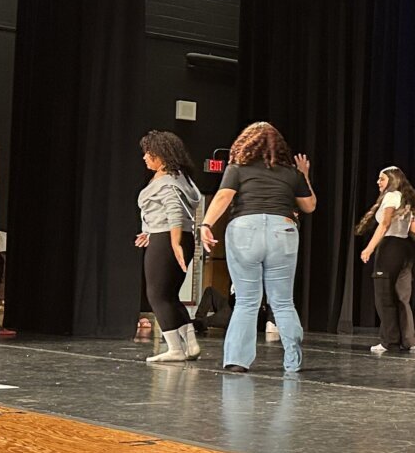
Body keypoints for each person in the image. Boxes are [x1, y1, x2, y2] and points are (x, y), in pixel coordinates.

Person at [198, 122, 316, 374]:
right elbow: (309, 206)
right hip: (283, 230)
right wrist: (304, 174)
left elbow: (223, 196)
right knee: (283, 302)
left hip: (245, 229)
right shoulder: (291, 173)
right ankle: (293, 361)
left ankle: (237, 361)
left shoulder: (237, 169)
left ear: (245, 144)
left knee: (246, 301)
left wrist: (206, 224)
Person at [134, 130, 203, 364]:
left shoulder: (166, 181)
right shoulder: (182, 178)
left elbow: (174, 211)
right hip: (177, 237)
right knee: (169, 294)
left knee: (157, 295)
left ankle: (175, 349)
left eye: (148, 153)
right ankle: (190, 344)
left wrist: (173, 243)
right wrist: (149, 231)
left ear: (161, 154)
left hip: (168, 239)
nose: (145, 157)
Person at [356, 167, 415, 355]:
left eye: (381, 179)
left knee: (384, 296)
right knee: (402, 297)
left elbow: (384, 224)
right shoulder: (405, 199)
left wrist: (369, 248)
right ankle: (409, 341)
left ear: (392, 180)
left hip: (390, 247)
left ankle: (389, 341)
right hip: (405, 249)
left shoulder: (391, 196)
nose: (378, 182)